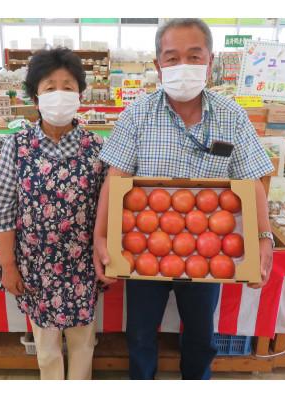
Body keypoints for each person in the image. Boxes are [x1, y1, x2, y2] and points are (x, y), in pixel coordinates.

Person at [93, 18, 275, 380]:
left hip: (212, 250)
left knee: (201, 333)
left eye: (194, 56)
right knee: (141, 332)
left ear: (210, 62)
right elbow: (115, 181)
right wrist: (101, 236)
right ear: (158, 65)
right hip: (143, 245)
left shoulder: (231, 116)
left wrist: (263, 237)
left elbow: (251, 180)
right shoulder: (138, 114)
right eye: (172, 58)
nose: (182, 67)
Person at [0, 47, 106, 380]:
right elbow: (2, 210)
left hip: (82, 263)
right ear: (36, 95)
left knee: (84, 342)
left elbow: (108, 208)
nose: (59, 94)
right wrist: (9, 265)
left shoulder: (95, 146)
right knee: (46, 346)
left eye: (68, 87)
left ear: (80, 95)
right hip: (35, 266)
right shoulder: (17, 145)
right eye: (49, 87)